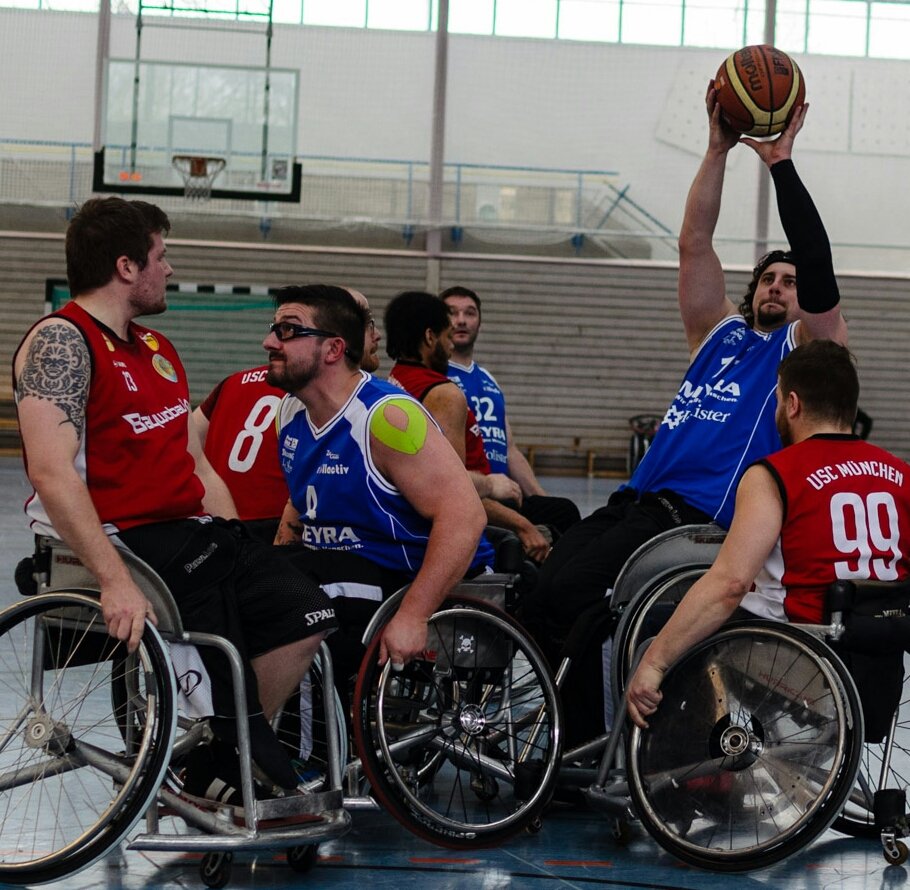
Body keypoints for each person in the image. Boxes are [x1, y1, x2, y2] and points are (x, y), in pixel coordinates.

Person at [522, 96, 847, 743]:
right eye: (770, 279)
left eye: (790, 281)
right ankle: (572, 727)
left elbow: (818, 266)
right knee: (539, 588)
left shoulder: (797, 357)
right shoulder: (717, 334)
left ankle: (580, 736)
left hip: (692, 522)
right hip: (636, 504)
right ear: (752, 289)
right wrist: (718, 148)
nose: (779, 287)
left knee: (574, 592)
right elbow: (693, 242)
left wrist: (781, 164)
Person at [12, 196, 338, 807]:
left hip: (190, 531)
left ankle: (224, 753)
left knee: (306, 612)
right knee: (209, 586)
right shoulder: (62, 341)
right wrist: (113, 580)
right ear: (127, 266)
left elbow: (197, 461)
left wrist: (241, 537)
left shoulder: (158, 349)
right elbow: (53, 475)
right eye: (162, 257)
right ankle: (241, 754)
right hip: (121, 536)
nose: (170, 270)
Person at [627, 340, 910, 734]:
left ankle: (695, 784)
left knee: (650, 626)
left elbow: (730, 584)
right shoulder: (901, 474)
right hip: (878, 675)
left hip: (802, 663)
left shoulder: (775, 474)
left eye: (778, 400)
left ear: (792, 404)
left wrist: (656, 662)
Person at [265, 284, 491, 669]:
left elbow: (466, 518)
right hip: (340, 566)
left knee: (292, 593)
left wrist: (414, 615)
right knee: (249, 569)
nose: (269, 341)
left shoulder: (386, 417)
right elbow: (296, 512)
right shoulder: (289, 413)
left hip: (407, 575)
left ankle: (277, 725)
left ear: (334, 349)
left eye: (287, 330)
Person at [194, 288, 382, 543]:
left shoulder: (235, 381)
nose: (376, 335)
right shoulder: (322, 399)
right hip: (265, 532)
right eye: (368, 325)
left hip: (217, 529)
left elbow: (180, 444)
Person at [384, 290, 551, 563]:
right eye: (447, 334)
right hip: (478, 506)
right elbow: (453, 488)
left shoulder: (393, 383)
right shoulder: (443, 392)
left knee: (554, 510)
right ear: (430, 336)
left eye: (469, 313)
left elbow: (509, 448)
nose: (451, 343)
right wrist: (501, 498)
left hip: (485, 495)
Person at [441, 285, 581, 537]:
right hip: (474, 494)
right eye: (452, 313)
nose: (461, 320)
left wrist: (540, 496)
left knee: (562, 513)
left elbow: (509, 449)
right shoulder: (437, 376)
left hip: (506, 493)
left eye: (470, 313)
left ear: (480, 321)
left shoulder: (488, 379)